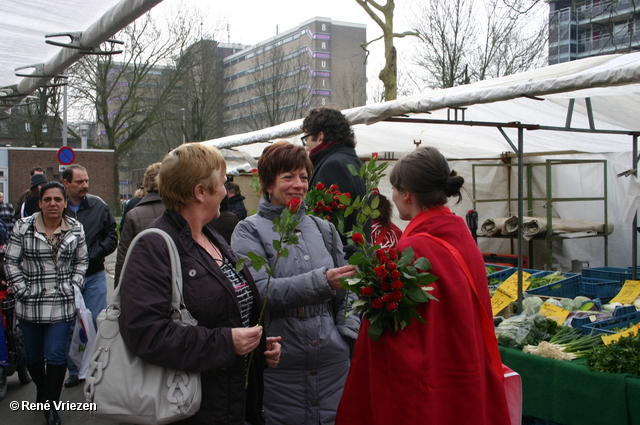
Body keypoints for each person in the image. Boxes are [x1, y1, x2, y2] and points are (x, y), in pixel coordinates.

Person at [336, 147, 510, 425]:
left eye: (393, 188)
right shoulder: (461, 236)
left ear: (407, 194)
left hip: (428, 382)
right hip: (463, 369)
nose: (392, 195)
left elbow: (394, 338)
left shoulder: (413, 248)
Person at [119, 143, 281, 424]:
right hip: (192, 406)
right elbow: (145, 332)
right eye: (221, 182)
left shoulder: (209, 237)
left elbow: (227, 310)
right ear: (200, 192)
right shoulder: (155, 245)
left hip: (232, 400)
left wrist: (257, 345)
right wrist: (226, 343)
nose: (225, 190)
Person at [231, 141, 360, 425]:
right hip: (281, 362)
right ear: (267, 183)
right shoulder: (249, 230)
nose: (298, 185)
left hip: (332, 363)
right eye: (288, 177)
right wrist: (323, 281)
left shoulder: (323, 229)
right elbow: (261, 291)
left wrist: (346, 336)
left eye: (303, 177)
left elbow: (349, 289)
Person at [4, 181, 88, 425]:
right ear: (39, 203)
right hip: (29, 301)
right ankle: (42, 390)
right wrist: (21, 289)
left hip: (61, 302)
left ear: (64, 203)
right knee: (32, 356)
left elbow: (82, 261)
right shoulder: (24, 227)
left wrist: (74, 285)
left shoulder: (75, 228)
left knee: (55, 354)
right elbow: (10, 262)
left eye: (58, 200)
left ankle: (51, 405)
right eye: (48, 199)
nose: (53, 204)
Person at [62, 164, 118, 388]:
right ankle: (75, 370)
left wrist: (95, 253)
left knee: (96, 320)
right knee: (68, 325)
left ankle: (96, 366)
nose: (85, 185)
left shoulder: (98, 206)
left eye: (86, 181)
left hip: (94, 275)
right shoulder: (58, 206)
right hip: (65, 279)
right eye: (79, 182)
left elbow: (112, 235)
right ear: (66, 183)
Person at [301, 107, 369, 244]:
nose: (306, 146)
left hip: (340, 259)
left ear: (320, 136)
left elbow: (326, 228)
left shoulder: (333, 166)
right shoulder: (354, 163)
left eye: (306, 138)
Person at [114, 162, 164, 287]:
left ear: (145, 183)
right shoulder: (180, 209)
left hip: (142, 282)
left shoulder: (134, 213)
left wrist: (119, 291)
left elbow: (123, 257)